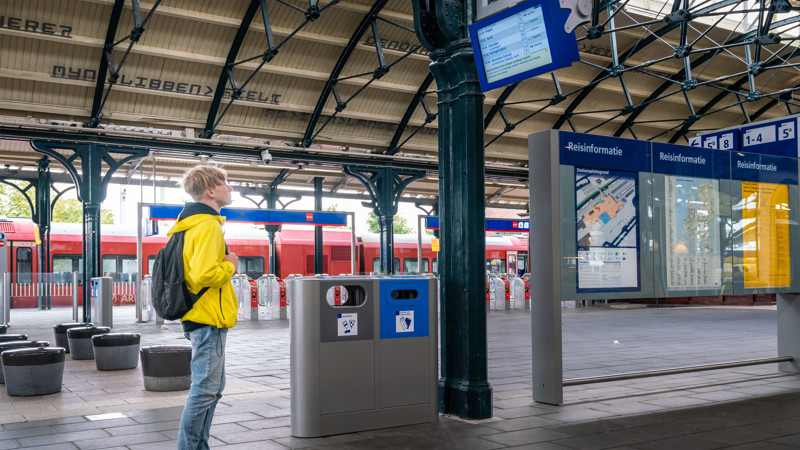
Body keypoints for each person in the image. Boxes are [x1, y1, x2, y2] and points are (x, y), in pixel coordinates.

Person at [173, 165, 239, 449]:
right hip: (208, 319)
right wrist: (230, 265)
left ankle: (199, 446)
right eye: (226, 183)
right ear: (210, 191)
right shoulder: (208, 225)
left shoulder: (191, 224)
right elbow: (203, 275)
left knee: (213, 390)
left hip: (201, 318)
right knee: (204, 391)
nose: (230, 188)